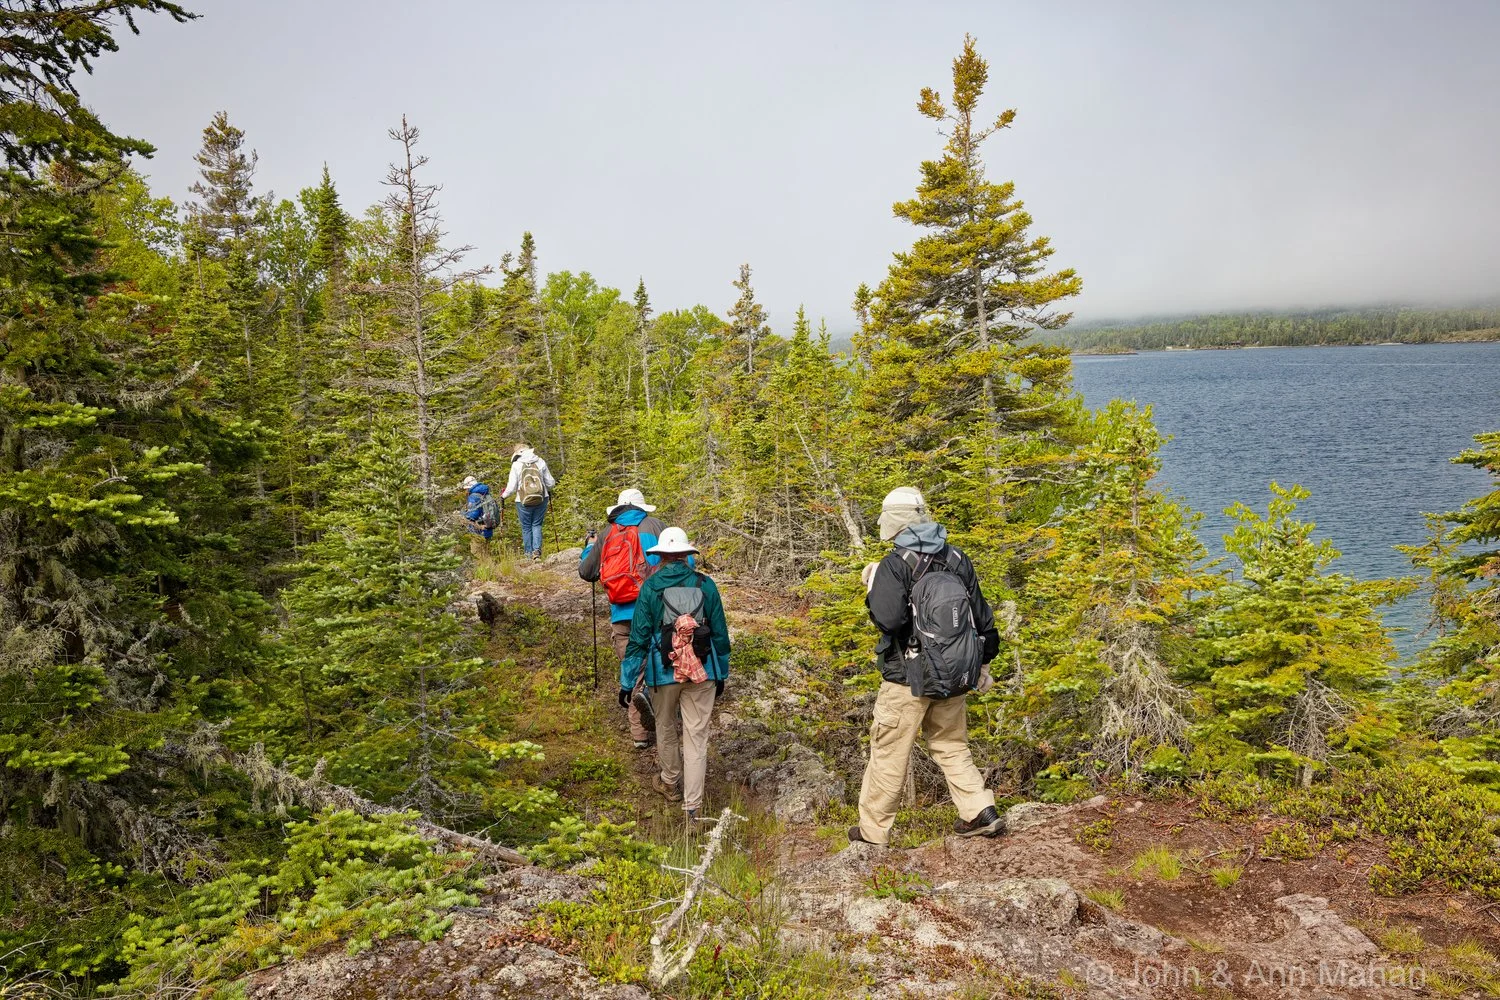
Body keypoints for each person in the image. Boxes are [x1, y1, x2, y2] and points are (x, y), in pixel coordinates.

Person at [851, 486, 1005, 846]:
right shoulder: (956, 558)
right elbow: (983, 620)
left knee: (889, 752)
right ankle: (980, 810)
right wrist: (982, 665)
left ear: (894, 522)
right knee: (951, 744)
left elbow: (888, 621)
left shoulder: (893, 565)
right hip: (955, 673)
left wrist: (874, 585)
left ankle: (873, 834)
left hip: (908, 677)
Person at [619, 527, 730, 822]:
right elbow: (720, 635)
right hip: (703, 671)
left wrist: (628, 682)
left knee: (665, 727)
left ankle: (670, 782)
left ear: (661, 556)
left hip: (663, 671)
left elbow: (639, 638)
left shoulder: (651, 588)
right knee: (696, 738)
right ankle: (693, 808)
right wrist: (722, 674)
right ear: (684, 554)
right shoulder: (705, 585)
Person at [579, 488, 670, 749]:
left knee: (633, 667)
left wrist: (588, 548)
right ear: (642, 508)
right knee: (660, 664)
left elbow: (587, 572)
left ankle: (639, 735)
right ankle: (663, 725)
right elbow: (681, 561)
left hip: (621, 612)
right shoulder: (656, 526)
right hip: (655, 608)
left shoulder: (607, 533)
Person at [500, 443, 556, 560]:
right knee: (537, 524)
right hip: (541, 497)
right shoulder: (540, 461)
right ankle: (537, 552)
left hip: (522, 500)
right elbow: (550, 483)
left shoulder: (516, 465)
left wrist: (503, 496)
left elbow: (512, 487)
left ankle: (528, 554)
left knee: (526, 527)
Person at [460, 475, 499, 555]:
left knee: (477, 555)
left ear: (468, 487)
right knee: (486, 554)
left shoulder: (473, 496)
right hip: (488, 528)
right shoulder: (486, 493)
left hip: (477, 530)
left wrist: (461, 514)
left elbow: (472, 514)